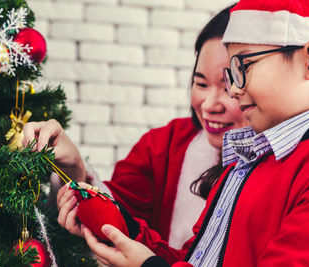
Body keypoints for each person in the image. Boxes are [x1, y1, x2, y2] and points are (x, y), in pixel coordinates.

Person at [76, 0, 309, 266]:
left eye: (244, 67)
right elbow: (198, 259)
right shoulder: (244, 161)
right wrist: (119, 227)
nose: (235, 90)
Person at [24, 4, 248, 248]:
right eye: (201, 84)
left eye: (227, 86)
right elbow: (121, 213)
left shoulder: (281, 169)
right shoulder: (164, 144)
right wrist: (76, 171)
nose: (209, 105)